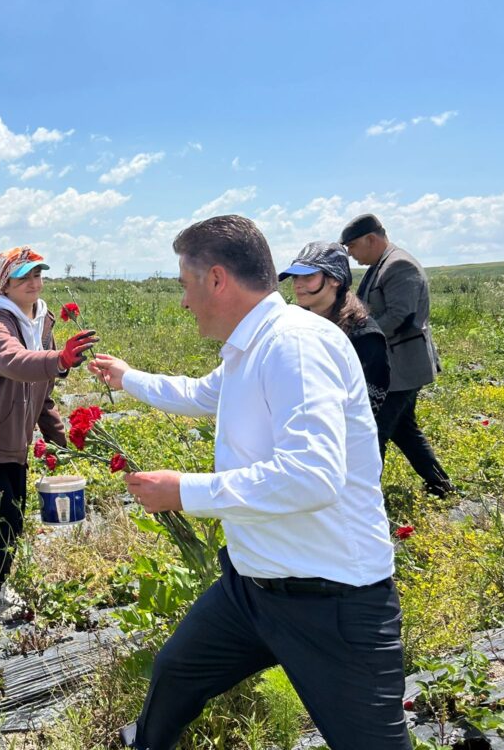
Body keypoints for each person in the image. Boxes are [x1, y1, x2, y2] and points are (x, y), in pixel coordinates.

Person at [89, 216, 409, 750]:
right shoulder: (251, 348)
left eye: (185, 286)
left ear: (216, 279)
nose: (185, 302)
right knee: (175, 673)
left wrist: (185, 491)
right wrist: (127, 378)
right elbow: (199, 394)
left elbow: (312, 476)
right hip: (252, 590)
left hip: (333, 602)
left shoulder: (295, 347)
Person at [0, 246, 97, 611]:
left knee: (12, 521)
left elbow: (40, 390)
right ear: (4, 284)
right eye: (23, 277)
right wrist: (59, 359)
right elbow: (12, 361)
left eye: (37, 274)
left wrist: (60, 439)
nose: (33, 282)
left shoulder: (41, 321)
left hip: (14, 441)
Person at [341, 213, 454, 497]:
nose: (351, 254)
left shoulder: (398, 265)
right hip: (395, 366)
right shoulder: (380, 265)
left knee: (374, 431)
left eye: (352, 246)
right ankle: (441, 486)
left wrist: (359, 335)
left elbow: (401, 316)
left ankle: (362, 498)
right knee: (403, 428)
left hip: (403, 367)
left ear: (371, 239)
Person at [278, 240, 390, 417]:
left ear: (335, 279)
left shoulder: (363, 334)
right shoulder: (294, 324)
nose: (297, 284)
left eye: (308, 277)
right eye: (295, 277)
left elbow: (369, 401)